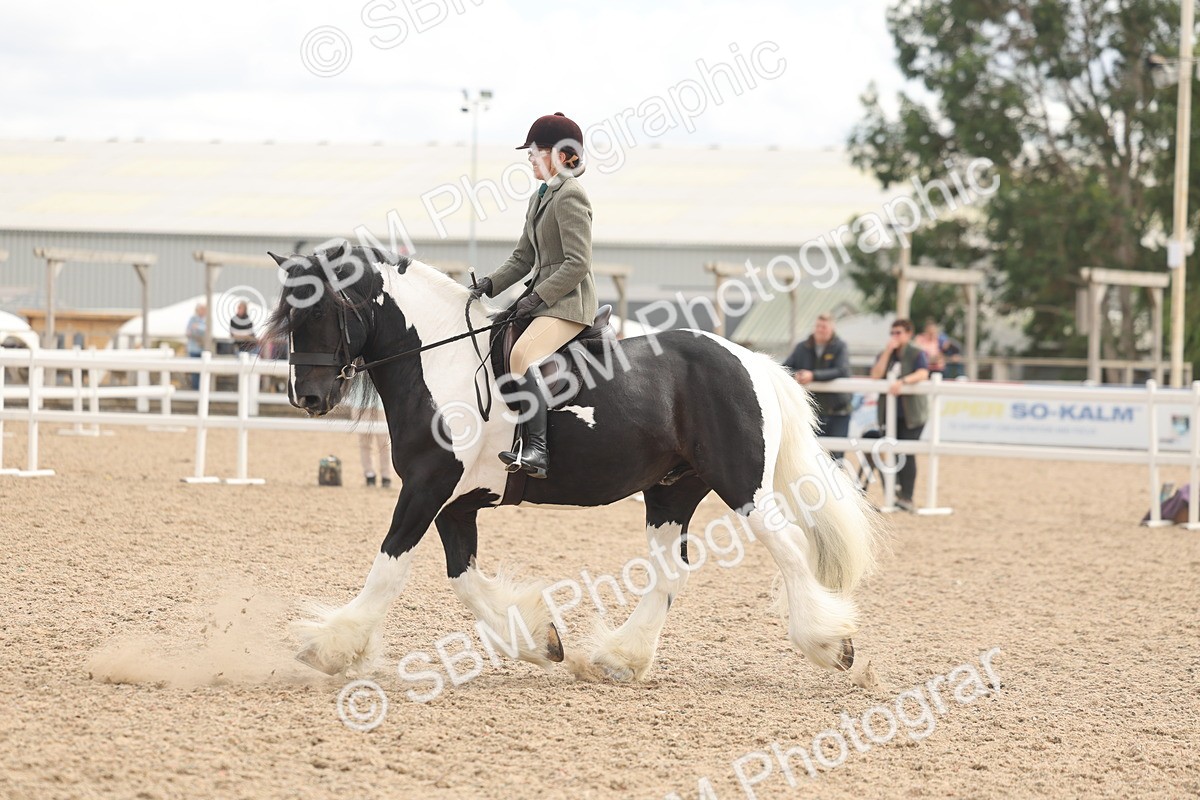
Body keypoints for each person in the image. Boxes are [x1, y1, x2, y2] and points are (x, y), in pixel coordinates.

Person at [470, 112, 596, 480]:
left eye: (535, 152)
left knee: (523, 354)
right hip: (546, 300)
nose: (529, 158)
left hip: (569, 304)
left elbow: (577, 263)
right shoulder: (541, 196)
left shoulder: (570, 195)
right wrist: (489, 284)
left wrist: (535, 298)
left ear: (558, 154)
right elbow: (523, 258)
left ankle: (538, 451)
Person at [869, 318, 929, 512]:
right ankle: (892, 494)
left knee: (907, 452)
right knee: (889, 452)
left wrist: (903, 381)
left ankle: (907, 496)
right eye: (892, 333)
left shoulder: (916, 353)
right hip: (889, 414)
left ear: (908, 334)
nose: (895, 337)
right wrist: (887, 352)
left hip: (912, 414)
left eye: (899, 333)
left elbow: (923, 373)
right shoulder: (886, 354)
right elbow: (876, 375)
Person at [782, 313, 851, 459]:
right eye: (818, 326)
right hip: (811, 412)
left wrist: (813, 376)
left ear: (832, 328)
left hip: (837, 410)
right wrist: (798, 375)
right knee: (810, 455)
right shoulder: (802, 347)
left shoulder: (839, 347)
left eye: (824, 327)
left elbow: (842, 370)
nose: (820, 329)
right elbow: (785, 368)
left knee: (836, 457)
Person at [357, 393, 393, 489]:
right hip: (359, 402)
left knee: (384, 442)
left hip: (382, 403)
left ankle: (386, 475)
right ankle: (369, 474)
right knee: (364, 442)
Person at [185, 303, 207, 390]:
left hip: (204, 350)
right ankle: (196, 390)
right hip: (194, 349)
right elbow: (188, 331)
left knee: (203, 371)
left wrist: (197, 328)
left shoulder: (207, 320)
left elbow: (207, 331)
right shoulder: (192, 319)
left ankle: (203, 389)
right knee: (194, 371)